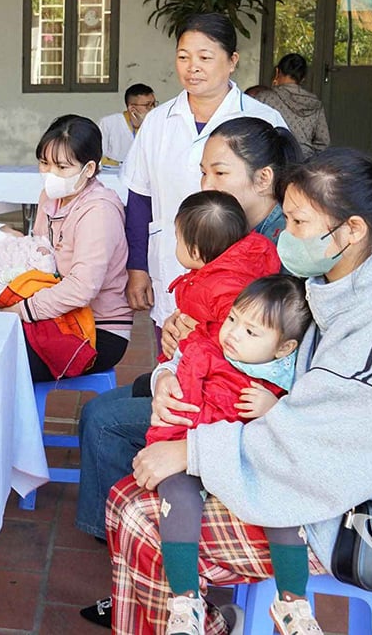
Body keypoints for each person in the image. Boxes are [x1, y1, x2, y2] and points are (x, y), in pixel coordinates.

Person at [106, 150, 372, 635]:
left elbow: (322, 443)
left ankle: (200, 621)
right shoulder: (320, 283)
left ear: (352, 230)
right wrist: (170, 373)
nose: (285, 235)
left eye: (298, 222)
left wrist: (192, 451)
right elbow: (229, 347)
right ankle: (201, 623)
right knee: (128, 496)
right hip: (306, 475)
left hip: (358, 512)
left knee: (140, 517)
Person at [76, 117, 298, 628]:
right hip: (200, 374)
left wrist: (191, 350)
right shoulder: (238, 233)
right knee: (111, 404)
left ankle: (137, 568)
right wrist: (178, 343)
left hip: (228, 400)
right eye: (203, 172)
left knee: (104, 421)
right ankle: (129, 565)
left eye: (219, 172)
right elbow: (206, 312)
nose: (206, 183)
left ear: (263, 179)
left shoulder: (278, 250)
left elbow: (263, 344)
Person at [149, 276, 315, 634]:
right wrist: (163, 378)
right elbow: (174, 363)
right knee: (176, 498)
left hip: (249, 464)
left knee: (284, 505)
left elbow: (303, 426)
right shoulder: (206, 347)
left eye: (251, 332)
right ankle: (185, 601)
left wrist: (275, 409)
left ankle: (292, 603)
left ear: (284, 348)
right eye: (232, 319)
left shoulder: (289, 378)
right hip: (189, 449)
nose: (234, 334)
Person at [122, 13, 286, 349]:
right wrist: (137, 266)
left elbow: (279, 203)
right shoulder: (157, 121)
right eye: (183, 57)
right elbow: (139, 197)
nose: (192, 67)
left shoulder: (263, 119)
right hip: (173, 264)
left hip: (241, 279)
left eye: (205, 57)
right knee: (172, 353)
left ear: (232, 61)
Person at [0, 115, 132, 381]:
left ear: (89, 168)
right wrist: (8, 252)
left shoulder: (99, 211)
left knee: (2, 361)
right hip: (58, 316)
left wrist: (24, 310)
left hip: (96, 329)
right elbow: (41, 255)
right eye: (44, 163)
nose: (51, 174)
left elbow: (81, 289)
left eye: (62, 166)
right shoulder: (50, 197)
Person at [158, 190, 281, 361]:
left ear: (195, 252)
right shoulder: (213, 273)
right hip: (196, 358)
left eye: (178, 240)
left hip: (212, 370)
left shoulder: (227, 288)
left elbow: (237, 340)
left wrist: (194, 338)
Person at [259, 53, 330, 158]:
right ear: (303, 78)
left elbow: (253, 132)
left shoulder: (265, 98)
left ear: (278, 72)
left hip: (274, 159)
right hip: (304, 160)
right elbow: (323, 142)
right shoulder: (315, 103)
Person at [99, 83, 156, 166]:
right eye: (148, 105)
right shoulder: (108, 123)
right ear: (132, 109)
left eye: (154, 104)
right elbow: (98, 157)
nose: (153, 109)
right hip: (113, 172)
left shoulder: (155, 126)